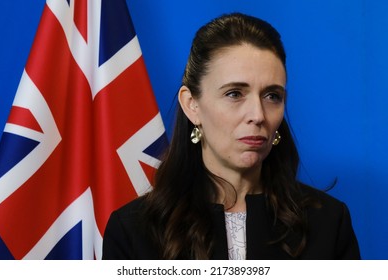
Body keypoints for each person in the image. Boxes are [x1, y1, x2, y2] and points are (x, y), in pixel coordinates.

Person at [102, 12, 361, 260]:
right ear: (192, 104)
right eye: (235, 94)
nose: (258, 115)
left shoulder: (328, 221)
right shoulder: (132, 231)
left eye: (272, 96)